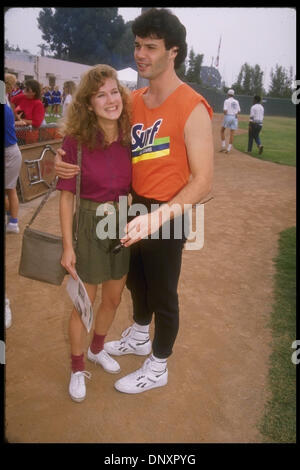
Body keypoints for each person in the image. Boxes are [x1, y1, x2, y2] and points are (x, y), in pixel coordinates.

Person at [54, 8, 214, 395]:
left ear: (173, 51)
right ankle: (139, 336)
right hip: (131, 207)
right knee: (135, 286)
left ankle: (158, 365)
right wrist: (60, 159)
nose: (140, 54)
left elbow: (204, 182)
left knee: (163, 293)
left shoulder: (192, 105)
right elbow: (91, 130)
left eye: (151, 47)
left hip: (169, 211)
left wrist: (159, 217)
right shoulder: (134, 100)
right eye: (138, 45)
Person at [56, 64, 132, 402]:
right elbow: (66, 197)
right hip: (88, 224)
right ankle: (76, 367)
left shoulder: (132, 136)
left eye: (114, 91)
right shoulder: (76, 142)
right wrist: (67, 246)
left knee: (113, 298)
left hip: (122, 224)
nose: (110, 99)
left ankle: (97, 349)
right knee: (83, 306)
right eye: (101, 95)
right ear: (88, 103)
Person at [5, 103, 23, 234]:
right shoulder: (7, 106)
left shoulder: (5, 107)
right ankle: (10, 218)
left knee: (10, 189)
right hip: (11, 152)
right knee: (9, 189)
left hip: (10, 153)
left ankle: (13, 223)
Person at [219, 89, 241, 154]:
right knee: (232, 133)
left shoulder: (226, 101)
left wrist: (225, 115)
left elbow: (225, 111)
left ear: (228, 94)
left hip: (228, 116)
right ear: (233, 95)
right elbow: (239, 111)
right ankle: (228, 149)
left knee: (222, 130)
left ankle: (223, 146)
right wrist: (235, 113)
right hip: (234, 117)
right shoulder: (236, 101)